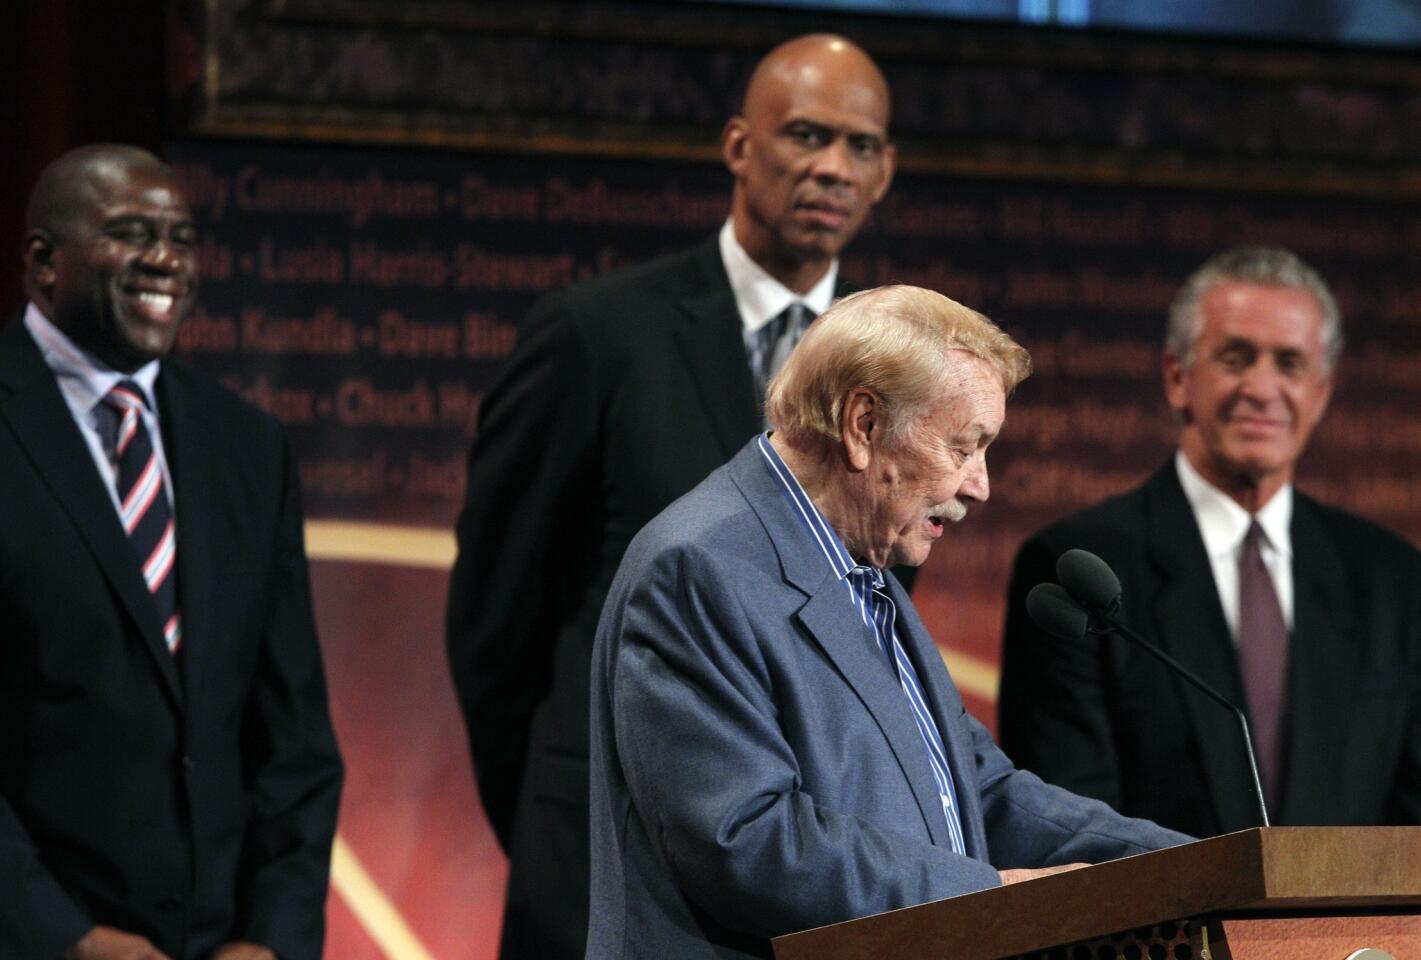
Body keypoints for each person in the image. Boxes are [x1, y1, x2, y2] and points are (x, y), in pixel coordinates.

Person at [445, 33, 899, 959]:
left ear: (885, 172)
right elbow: (495, 622)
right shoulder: (596, 333)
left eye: (859, 146)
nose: (830, 167)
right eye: (805, 135)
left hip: (814, 882)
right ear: (738, 145)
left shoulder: (897, 371)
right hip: (600, 865)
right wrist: (552, 802)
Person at [586, 285, 1189, 958]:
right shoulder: (699, 569)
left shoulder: (866, 573)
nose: (979, 484)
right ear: (863, 426)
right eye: (963, 447)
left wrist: (1197, 868)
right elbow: (747, 839)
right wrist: (992, 896)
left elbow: (977, 792)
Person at [1, 144, 343, 960]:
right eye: (130, 232)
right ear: (44, 263)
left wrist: (273, 938)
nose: (165, 259)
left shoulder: (249, 446)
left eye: (181, 238)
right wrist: (63, 938)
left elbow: (293, 739)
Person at [998, 246, 1421, 838]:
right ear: (1177, 378)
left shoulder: (1392, 579)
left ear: (1321, 394)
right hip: (1163, 930)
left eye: (1290, 364)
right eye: (1236, 357)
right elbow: (1069, 822)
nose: (1262, 388)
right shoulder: (1081, 571)